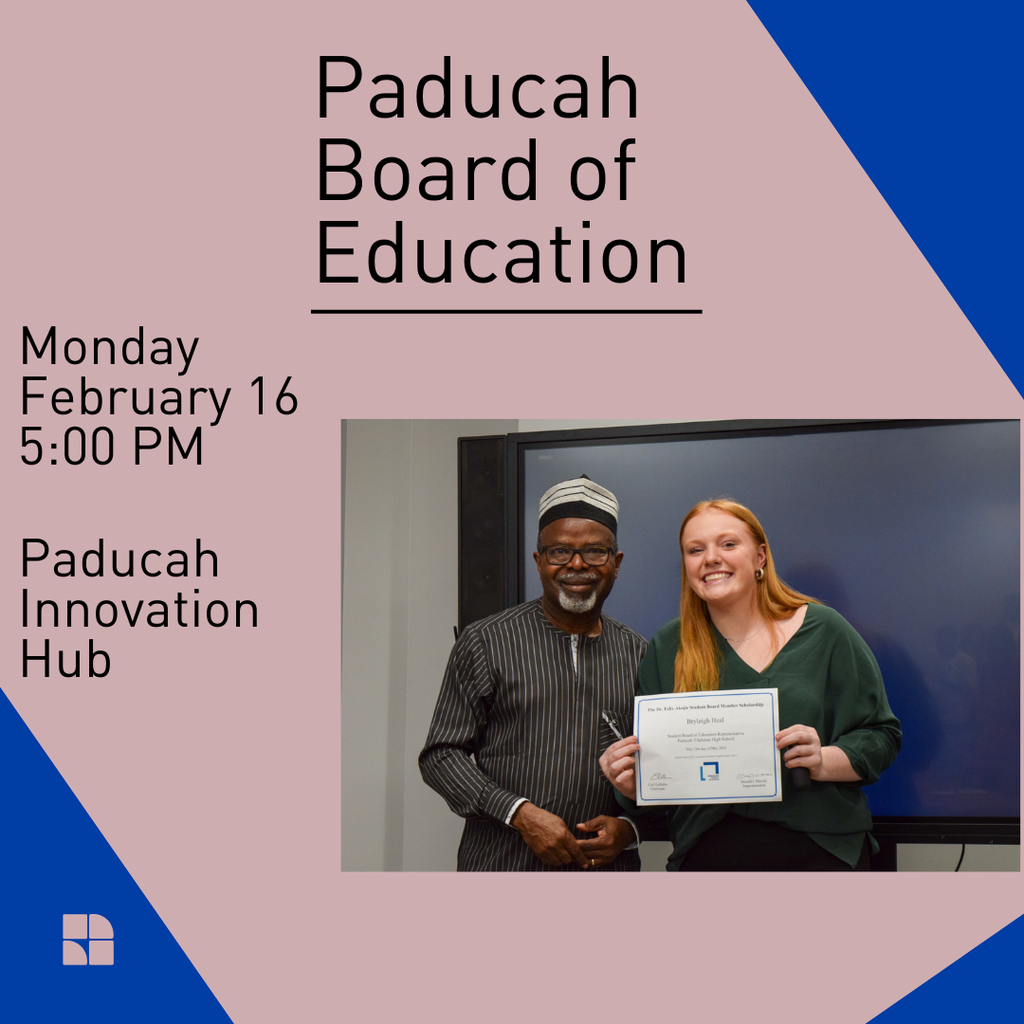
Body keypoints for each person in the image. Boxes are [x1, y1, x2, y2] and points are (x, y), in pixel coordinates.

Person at [600, 498, 901, 871]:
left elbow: (881, 736)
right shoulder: (668, 647)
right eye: (696, 550)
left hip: (821, 851)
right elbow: (657, 775)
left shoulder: (826, 630)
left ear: (760, 557)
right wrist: (630, 782)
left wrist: (821, 760)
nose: (710, 558)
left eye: (728, 544)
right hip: (708, 857)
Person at [420, 476, 649, 871]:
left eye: (595, 551)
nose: (577, 565)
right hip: (501, 864)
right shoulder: (486, 641)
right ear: (538, 560)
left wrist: (630, 828)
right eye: (560, 551)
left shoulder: (641, 653)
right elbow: (441, 755)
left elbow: (664, 768)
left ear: (616, 562)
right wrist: (519, 813)